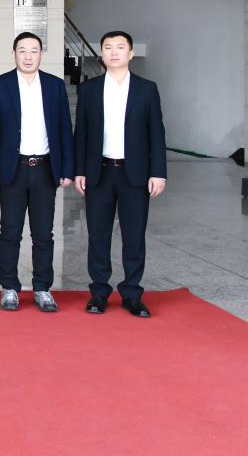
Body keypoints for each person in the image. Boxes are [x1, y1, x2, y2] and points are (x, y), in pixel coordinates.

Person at [75, 31, 167, 318]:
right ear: (101, 54)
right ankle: (99, 292)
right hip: (99, 172)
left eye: (120, 47)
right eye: (108, 47)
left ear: (130, 54)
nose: (113, 52)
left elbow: (156, 133)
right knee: (97, 235)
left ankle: (132, 293)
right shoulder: (89, 90)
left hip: (135, 174)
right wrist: (79, 170)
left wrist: (158, 173)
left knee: (134, 235)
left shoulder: (146, 89)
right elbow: (82, 134)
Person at [0, 32, 74, 313]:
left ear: (41, 54)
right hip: (12, 169)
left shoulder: (55, 86)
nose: (28, 56)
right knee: (10, 231)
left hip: (45, 169)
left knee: (43, 233)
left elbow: (64, 130)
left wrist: (67, 168)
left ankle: (43, 288)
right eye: (22, 50)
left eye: (34, 50)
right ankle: (9, 287)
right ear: (14, 54)